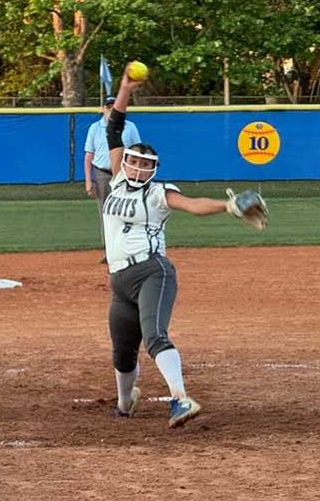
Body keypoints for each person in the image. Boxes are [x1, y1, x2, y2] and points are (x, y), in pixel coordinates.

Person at [104, 65, 269, 428]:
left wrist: (227, 206)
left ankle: (180, 399)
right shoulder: (115, 178)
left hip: (152, 271)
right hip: (119, 280)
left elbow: (193, 205)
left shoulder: (159, 192)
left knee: (155, 335)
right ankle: (125, 400)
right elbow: (113, 125)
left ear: (153, 169)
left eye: (144, 164)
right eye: (133, 161)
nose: (136, 167)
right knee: (122, 351)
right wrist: (125, 89)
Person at [84, 95, 141, 262]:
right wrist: (89, 180)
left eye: (114, 106)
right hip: (102, 173)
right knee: (106, 212)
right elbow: (89, 155)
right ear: (103, 109)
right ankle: (109, 251)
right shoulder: (95, 128)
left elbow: (137, 151)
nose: (111, 109)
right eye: (108, 106)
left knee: (129, 210)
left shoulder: (130, 127)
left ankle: (130, 249)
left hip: (124, 174)